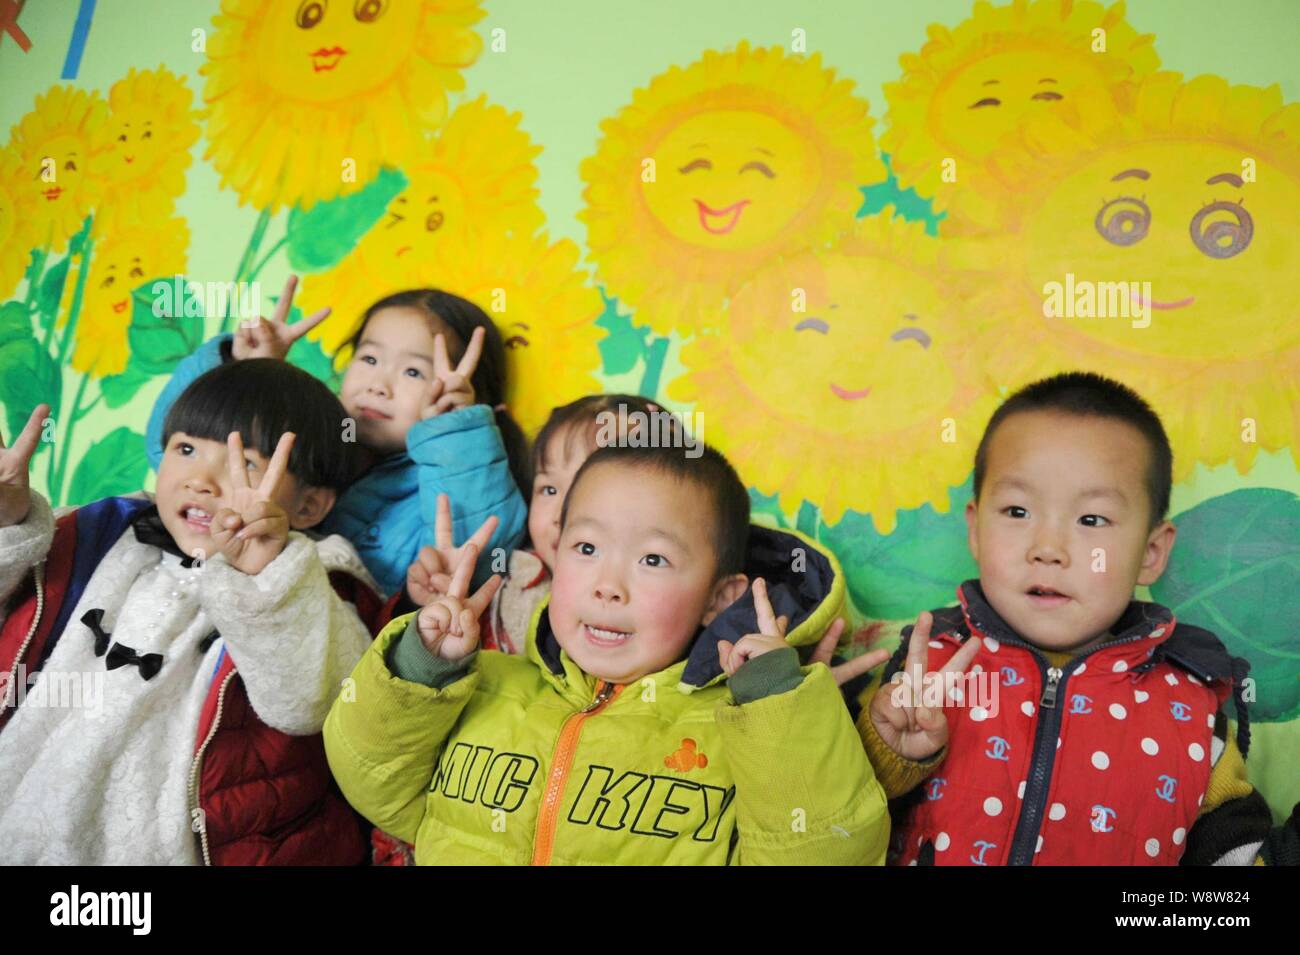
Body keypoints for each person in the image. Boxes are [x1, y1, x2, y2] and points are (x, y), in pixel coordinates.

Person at [325, 440, 890, 864]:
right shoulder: (481, 684)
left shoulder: (740, 730)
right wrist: (420, 669)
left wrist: (778, 709)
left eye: (653, 560)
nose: (608, 585)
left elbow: (824, 852)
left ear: (719, 598)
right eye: (587, 547)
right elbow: (374, 782)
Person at [853, 371, 1275, 865]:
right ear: (974, 529)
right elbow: (830, 824)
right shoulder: (925, 673)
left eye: (1091, 520)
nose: (1048, 550)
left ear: (1151, 552)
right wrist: (890, 754)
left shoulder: (1191, 709)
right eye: (1016, 511)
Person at [0, 360, 381, 864]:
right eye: (185, 449)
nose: (201, 479)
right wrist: (8, 523)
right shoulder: (98, 533)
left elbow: (305, 705)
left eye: (244, 461)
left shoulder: (316, 588)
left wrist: (262, 580)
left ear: (309, 507)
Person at [145, 277, 527, 595]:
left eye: (413, 372)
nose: (379, 385)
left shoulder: (447, 474)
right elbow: (168, 455)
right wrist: (244, 371)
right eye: (370, 359)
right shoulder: (298, 427)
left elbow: (471, 556)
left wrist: (454, 430)